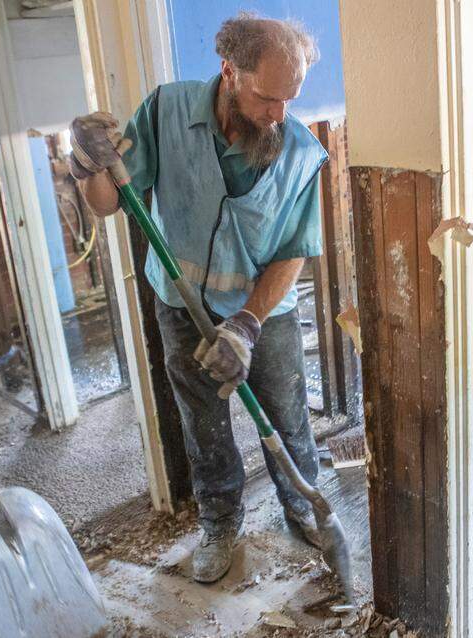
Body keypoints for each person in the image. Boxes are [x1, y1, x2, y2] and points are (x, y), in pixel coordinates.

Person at [72, 12, 326, 584]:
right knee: (203, 422)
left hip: (264, 315)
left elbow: (293, 253)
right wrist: (85, 164)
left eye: (291, 98)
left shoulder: (299, 152)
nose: (279, 114)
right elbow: (107, 202)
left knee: (287, 418)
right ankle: (219, 521)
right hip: (180, 303)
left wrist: (247, 325)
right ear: (229, 72)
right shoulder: (165, 111)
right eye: (267, 97)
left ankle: (303, 509)